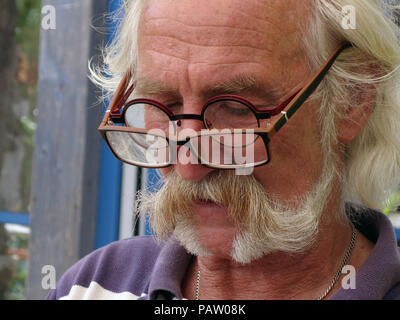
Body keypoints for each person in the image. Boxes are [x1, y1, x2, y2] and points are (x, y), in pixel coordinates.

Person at [47, 0, 400, 300]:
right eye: (163, 105)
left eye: (236, 109)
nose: (188, 164)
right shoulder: (92, 286)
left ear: (353, 100)